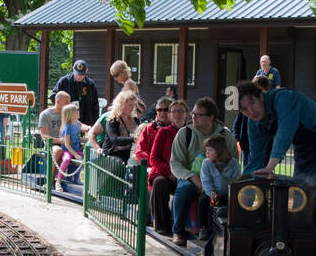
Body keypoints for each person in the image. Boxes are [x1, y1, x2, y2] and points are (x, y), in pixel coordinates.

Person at [237, 80, 316, 256]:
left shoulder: (285, 98)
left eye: (252, 103)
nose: (251, 111)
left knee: (314, 211)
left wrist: (270, 166)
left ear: (260, 96)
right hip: (303, 153)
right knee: (299, 209)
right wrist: (241, 192)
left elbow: (286, 130)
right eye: (243, 109)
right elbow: (254, 161)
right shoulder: (253, 123)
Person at [169, 97, 236, 246]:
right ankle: (178, 230)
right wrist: (192, 177)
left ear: (211, 117)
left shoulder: (225, 135)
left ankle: (226, 233)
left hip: (219, 178)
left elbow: (232, 160)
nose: (193, 117)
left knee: (233, 196)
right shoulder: (184, 133)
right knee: (184, 190)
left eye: (198, 115)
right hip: (191, 176)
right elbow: (175, 163)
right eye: (192, 113)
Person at [135, 98, 186, 235]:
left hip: (176, 169)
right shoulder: (150, 129)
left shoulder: (182, 131)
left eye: (166, 109)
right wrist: (153, 166)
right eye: (159, 109)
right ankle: (150, 217)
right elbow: (141, 151)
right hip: (156, 167)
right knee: (153, 180)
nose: (162, 112)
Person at [198, 133, 240, 241]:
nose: (207, 153)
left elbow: (235, 181)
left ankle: (232, 228)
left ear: (219, 151)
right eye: (206, 150)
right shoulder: (206, 164)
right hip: (212, 193)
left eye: (210, 150)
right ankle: (203, 228)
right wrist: (212, 194)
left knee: (236, 203)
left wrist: (231, 194)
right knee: (202, 200)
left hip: (227, 193)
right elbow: (206, 182)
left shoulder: (233, 164)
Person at [36, 90, 73, 179]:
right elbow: (44, 136)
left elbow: (79, 124)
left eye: (69, 102)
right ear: (57, 101)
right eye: (66, 103)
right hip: (53, 143)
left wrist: (88, 128)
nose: (68, 105)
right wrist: (61, 141)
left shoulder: (67, 113)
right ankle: (50, 181)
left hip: (68, 141)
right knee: (58, 151)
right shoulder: (45, 114)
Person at [54, 59, 100, 126]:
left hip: (86, 119)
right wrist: (64, 106)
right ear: (73, 68)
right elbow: (54, 96)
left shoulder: (91, 84)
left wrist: (95, 122)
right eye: (77, 73)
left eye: (81, 74)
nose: (78, 76)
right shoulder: (64, 81)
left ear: (86, 71)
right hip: (67, 118)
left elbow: (95, 105)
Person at [99, 89, 139, 162]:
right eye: (130, 105)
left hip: (132, 153)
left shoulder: (135, 120)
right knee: (120, 164)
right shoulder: (113, 120)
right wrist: (133, 139)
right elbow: (115, 140)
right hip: (114, 155)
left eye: (134, 105)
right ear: (121, 104)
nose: (133, 108)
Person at [56, 103, 83, 182]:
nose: (78, 112)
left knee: (86, 158)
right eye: (76, 111)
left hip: (76, 150)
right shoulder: (67, 127)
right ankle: (59, 181)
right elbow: (67, 144)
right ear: (71, 114)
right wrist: (75, 154)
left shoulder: (77, 124)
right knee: (66, 159)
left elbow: (77, 138)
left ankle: (76, 179)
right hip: (67, 150)